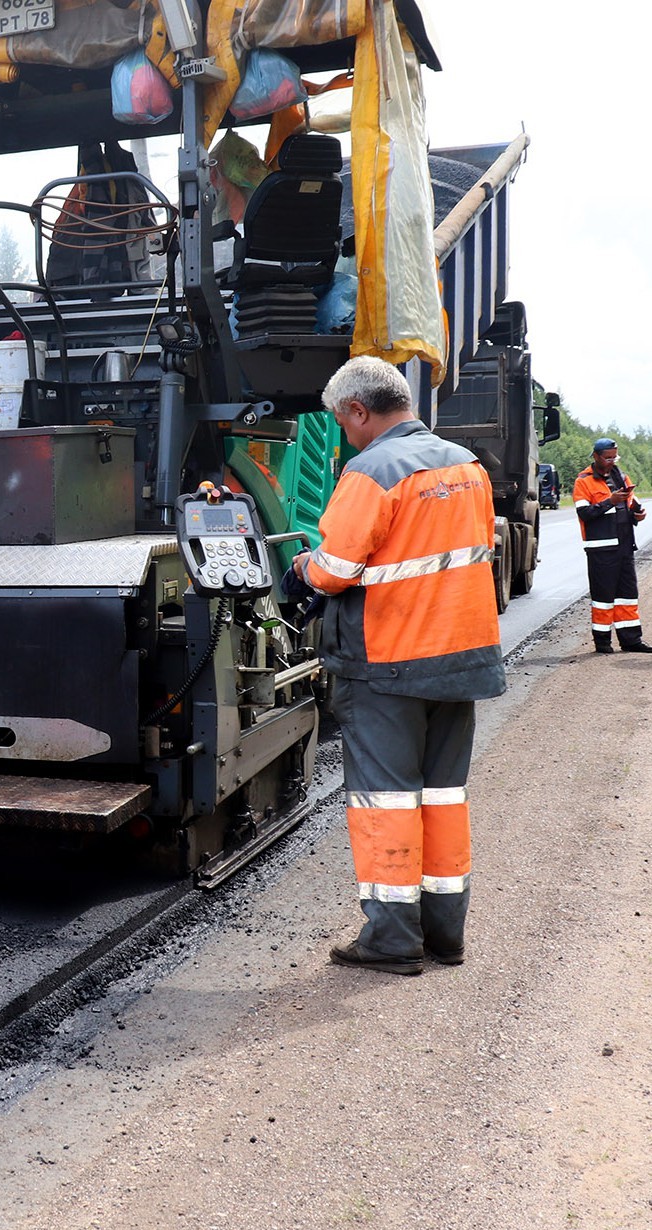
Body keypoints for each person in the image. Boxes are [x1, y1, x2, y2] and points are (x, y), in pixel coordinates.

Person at [291, 356, 506, 975]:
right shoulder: (466, 466)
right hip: (459, 660)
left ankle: (391, 941)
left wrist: (300, 569)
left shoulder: (372, 470)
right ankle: (444, 936)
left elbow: (334, 569)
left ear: (359, 410)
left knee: (386, 801)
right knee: (443, 799)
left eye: (342, 421)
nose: (343, 433)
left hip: (389, 666)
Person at [573, 437, 650, 653]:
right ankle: (603, 642)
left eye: (614, 457)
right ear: (596, 456)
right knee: (603, 597)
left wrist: (637, 514)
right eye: (607, 458)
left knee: (627, 595)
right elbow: (585, 513)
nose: (611, 461)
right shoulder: (584, 481)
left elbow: (629, 505)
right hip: (601, 549)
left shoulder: (622, 477)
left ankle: (631, 641)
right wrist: (610, 501)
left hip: (625, 547)